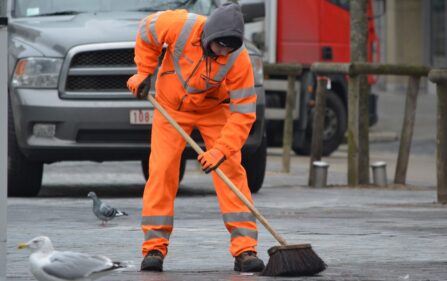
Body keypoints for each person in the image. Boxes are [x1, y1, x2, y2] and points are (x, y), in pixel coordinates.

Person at [127, 2, 264, 273]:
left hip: (214, 109)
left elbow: (243, 114)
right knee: (162, 170)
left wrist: (221, 150)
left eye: (229, 48)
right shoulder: (178, 25)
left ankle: (245, 249)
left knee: (231, 170)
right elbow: (146, 31)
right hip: (171, 108)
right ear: (208, 36)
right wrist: (144, 71)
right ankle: (154, 248)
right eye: (220, 46)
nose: (224, 52)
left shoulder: (239, 59)